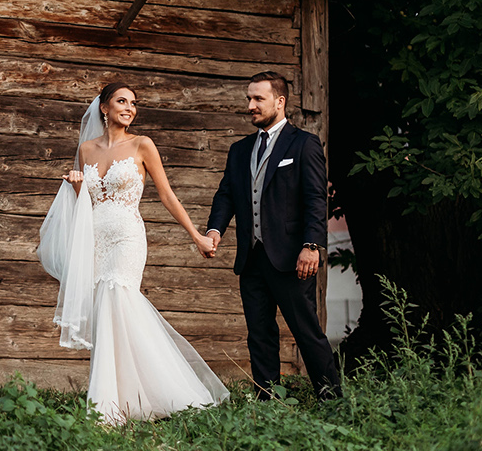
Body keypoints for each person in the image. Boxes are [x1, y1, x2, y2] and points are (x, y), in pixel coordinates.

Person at [38, 81, 229, 423]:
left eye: (133, 103)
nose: (129, 107)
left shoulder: (143, 145)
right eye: (121, 101)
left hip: (127, 236)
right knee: (106, 313)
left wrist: (197, 236)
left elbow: (167, 195)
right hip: (96, 238)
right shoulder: (86, 150)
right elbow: (89, 201)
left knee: (119, 298)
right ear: (104, 108)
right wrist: (78, 185)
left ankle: (136, 401)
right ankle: (124, 398)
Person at [204, 71, 342, 398]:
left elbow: (314, 199)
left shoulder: (304, 143)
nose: (250, 105)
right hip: (251, 259)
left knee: (307, 332)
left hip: (292, 257)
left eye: (258, 99)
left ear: (279, 102)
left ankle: (332, 400)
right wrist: (214, 229)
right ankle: (268, 403)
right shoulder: (240, 150)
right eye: (248, 99)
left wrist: (312, 246)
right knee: (259, 335)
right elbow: (226, 195)